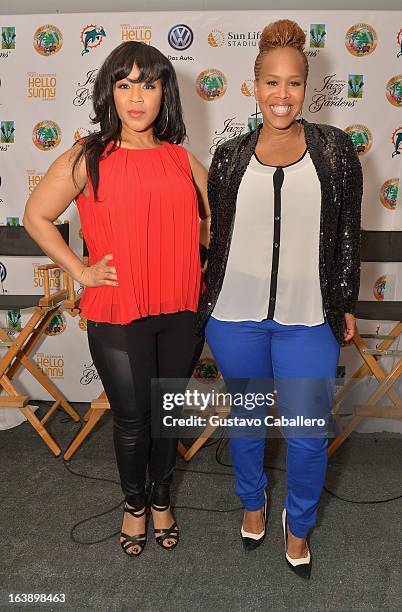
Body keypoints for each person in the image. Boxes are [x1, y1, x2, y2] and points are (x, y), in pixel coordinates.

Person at [23, 41, 210, 558]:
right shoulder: (89, 156)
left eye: (148, 84)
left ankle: (162, 500)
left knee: (167, 414)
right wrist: (80, 269)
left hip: (180, 306)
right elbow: (36, 215)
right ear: (109, 91)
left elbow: (219, 225)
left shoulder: (181, 159)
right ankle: (133, 506)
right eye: (124, 84)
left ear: (163, 94)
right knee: (132, 418)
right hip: (117, 307)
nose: (136, 96)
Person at [197, 19, 363, 579]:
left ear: (306, 86)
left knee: (308, 434)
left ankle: (299, 526)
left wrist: (344, 301)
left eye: (293, 83)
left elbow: (346, 233)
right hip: (234, 316)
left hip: (308, 318)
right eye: (271, 82)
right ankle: (252, 501)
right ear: (254, 85)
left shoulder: (336, 152)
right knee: (245, 423)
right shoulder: (228, 155)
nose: (282, 95)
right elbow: (218, 236)